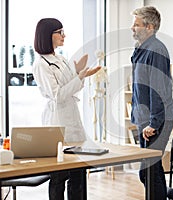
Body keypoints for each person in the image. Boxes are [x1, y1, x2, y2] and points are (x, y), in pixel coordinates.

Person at [33, 18, 101, 200]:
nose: (64, 36)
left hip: (71, 117)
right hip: (57, 120)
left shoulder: (61, 59)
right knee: (59, 176)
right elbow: (57, 95)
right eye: (60, 32)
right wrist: (79, 76)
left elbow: (74, 86)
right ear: (48, 35)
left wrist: (80, 74)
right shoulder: (41, 64)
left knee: (78, 172)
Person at [130, 6, 173, 200]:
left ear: (149, 27)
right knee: (152, 170)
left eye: (136, 24)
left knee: (148, 172)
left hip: (157, 121)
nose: (132, 28)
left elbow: (159, 89)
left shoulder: (156, 49)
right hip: (146, 121)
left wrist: (153, 123)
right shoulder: (143, 48)